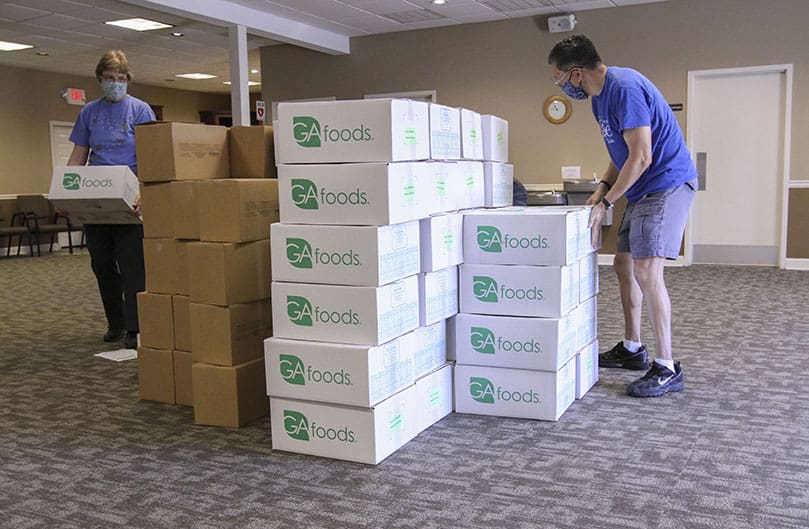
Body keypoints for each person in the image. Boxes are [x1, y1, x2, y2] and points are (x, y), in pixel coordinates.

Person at [548, 35, 697, 398]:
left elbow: (642, 156)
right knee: (624, 263)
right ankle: (633, 349)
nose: (561, 86)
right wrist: (602, 187)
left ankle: (666, 366)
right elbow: (622, 151)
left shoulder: (625, 87)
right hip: (642, 187)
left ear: (577, 74)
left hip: (667, 183)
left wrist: (607, 203)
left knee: (647, 270)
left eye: (560, 79)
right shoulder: (601, 100)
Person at [67, 50, 156, 350]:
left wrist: (147, 192)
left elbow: (152, 158)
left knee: (133, 266)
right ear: (99, 80)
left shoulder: (141, 111)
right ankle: (115, 322)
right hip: (97, 198)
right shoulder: (88, 113)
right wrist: (66, 191)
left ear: (127, 80)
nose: (115, 84)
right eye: (109, 79)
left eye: (120, 79)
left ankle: (135, 326)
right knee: (102, 263)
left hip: (130, 197)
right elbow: (78, 156)